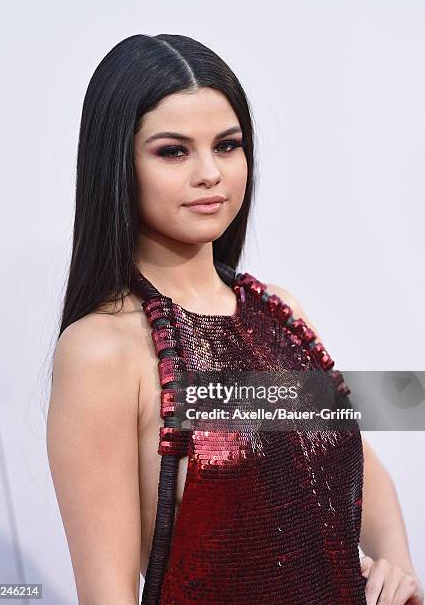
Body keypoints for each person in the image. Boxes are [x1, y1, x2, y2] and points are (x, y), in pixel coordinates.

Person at [46, 34, 423, 604]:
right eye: (173, 151)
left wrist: (397, 569)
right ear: (116, 162)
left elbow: (362, 473)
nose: (210, 174)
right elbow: (107, 594)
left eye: (227, 145)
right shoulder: (103, 350)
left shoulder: (277, 311)